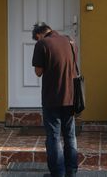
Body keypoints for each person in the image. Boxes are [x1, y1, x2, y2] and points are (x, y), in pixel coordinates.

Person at [32, 22, 78, 177]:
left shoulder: (42, 44)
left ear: (38, 35)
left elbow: (38, 72)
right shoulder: (70, 41)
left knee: (54, 137)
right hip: (71, 97)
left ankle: (58, 173)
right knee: (70, 135)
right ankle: (71, 171)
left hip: (52, 98)